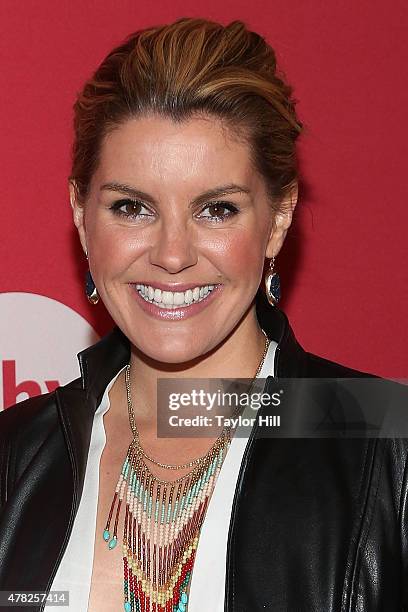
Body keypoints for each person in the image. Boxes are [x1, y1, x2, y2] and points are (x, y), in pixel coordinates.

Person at [0, 16, 407, 612]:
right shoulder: (14, 458)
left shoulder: (386, 440)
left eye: (216, 209)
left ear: (278, 218)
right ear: (82, 216)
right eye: (132, 207)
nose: (171, 255)